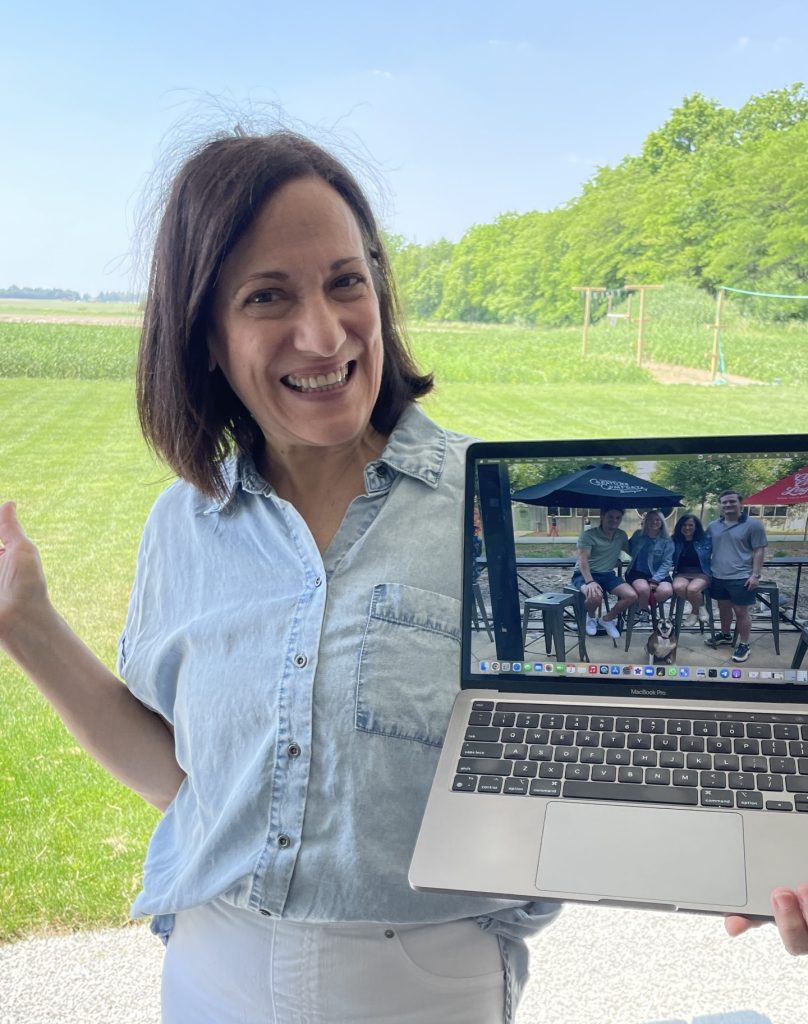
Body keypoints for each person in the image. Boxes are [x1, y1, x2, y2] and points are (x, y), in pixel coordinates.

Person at [0, 130, 560, 1024]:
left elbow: (607, 754)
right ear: (207, 340)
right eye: (268, 296)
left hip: (428, 989)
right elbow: (191, 782)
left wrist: (750, 852)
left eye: (346, 280)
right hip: (209, 975)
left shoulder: (493, 510)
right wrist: (24, 625)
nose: (324, 331)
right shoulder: (182, 526)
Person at [704, 489, 768, 663]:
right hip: (718, 576)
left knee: (741, 611)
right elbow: (704, 549)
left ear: (741, 503)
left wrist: (755, 575)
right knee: (723, 608)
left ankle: (744, 644)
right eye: (724, 502)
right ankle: (725, 635)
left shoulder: (753, 525)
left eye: (732, 501)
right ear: (720, 505)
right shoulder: (713, 526)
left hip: (741, 576)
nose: (728, 505)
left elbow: (759, 550)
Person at [571, 506, 637, 639]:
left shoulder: (621, 535)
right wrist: (590, 581)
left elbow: (633, 552)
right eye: (610, 516)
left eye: (618, 517)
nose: (614, 520)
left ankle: (606, 620)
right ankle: (591, 618)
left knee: (631, 595)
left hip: (607, 574)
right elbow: (582, 560)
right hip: (584, 574)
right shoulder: (589, 535)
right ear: (602, 516)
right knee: (595, 595)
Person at [626, 510, 674, 615]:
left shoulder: (667, 540)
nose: (654, 522)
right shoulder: (638, 535)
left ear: (662, 522)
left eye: (657, 520)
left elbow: (667, 563)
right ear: (645, 521)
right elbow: (628, 548)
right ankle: (644, 612)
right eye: (650, 520)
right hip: (638, 572)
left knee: (666, 591)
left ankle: (642, 603)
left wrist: (655, 579)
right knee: (643, 589)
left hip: (659, 574)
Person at [671, 514, 712, 626]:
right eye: (684, 525)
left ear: (696, 526)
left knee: (693, 589)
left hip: (702, 572)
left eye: (690, 525)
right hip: (682, 573)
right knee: (678, 587)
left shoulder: (706, 539)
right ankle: (700, 607)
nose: (687, 528)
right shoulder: (674, 540)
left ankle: (694, 613)